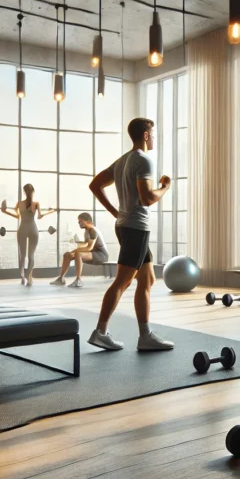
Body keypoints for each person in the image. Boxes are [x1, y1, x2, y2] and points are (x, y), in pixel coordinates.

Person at [86, 117, 173, 351]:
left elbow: (95, 185)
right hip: (135, 228)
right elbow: (147, 198)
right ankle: (100, 331)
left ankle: (145, 335)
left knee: (147, 279)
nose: (153, 138)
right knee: (122, 282)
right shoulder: (144, 160)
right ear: (145, 135)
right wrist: (165, 186)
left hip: (126, 225)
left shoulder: (124, 160)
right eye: (152, 134)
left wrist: (117, 211)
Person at [1, 183, 57, 286]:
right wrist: (51, 211)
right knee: (31, 255)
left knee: (22, 255)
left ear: (24, 191)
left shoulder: (19, 203)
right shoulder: (36, 204)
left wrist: (4, 211)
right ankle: (28, 277)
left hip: (22, 229)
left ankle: (23, 277)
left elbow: (17, 216)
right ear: (33, 192)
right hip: (33, 229)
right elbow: (39, 216)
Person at [51, 212, 109, 288]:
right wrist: (76, 244)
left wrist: (74, 252)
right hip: (92, 253)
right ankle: (61, 278)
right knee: (67, 255)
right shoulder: (87, 231)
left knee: (78, 254)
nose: (79, 223)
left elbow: (89, 248)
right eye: (78, 221)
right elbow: (86, 244)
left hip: (101, 255)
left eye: (81, 221)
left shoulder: (93, 231)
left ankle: (78, 280)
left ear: (88, 221)